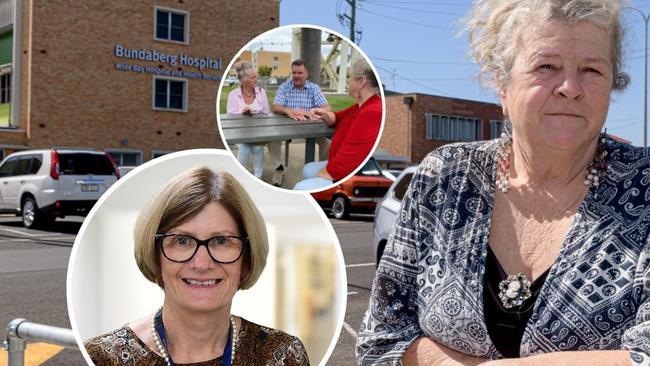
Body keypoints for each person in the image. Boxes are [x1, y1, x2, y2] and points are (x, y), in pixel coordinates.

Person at [357, 1, 650, 365]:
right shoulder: (446, 177)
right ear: (503, 86)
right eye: (547, 66)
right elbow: (382, 340)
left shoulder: (645, 186)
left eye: (591, 69)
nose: (570, 88)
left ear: (612, 85)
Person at [84, 167, 310, 365]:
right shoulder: (102, 357)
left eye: (221, 241)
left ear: (247, 259)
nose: (202, 264)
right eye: (182, 241)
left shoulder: (284, 355)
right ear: (154, 255)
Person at [293, 58, 383, 190]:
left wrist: (321, 175)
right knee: (307, 169)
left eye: (349, 77)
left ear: (362, 81)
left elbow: (345, 163)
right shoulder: (361, 106)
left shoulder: (372, 112)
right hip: (338, 164)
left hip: (343, 175)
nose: (347, 81)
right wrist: (323, 114)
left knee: (299, 187)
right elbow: (336, 117)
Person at [271, 59, 331, 186]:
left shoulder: (314, 88)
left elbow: (327, 108)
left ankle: (322, 171)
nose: (296, 76)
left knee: (327, 143)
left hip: (310, 129)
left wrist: (310, 111)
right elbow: (275, 107)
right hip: (286, 128)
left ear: (306, 74)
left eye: (300, 73)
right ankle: (279, 169)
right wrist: (288, 110)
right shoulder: (284, 86)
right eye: (294, 73)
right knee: (272, 139)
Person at [226, 61, 270, 179]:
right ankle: (238, 177)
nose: (257, 79)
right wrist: (242, 112)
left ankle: (258, 177)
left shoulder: (261, 92)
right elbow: (230, 115)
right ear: (244, 80)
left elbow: (266, 112)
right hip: (239, 132)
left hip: (257, 131)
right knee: (244, 148)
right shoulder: (233, 95)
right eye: (253, 77)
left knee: (257, 148)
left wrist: (258, 115)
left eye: (256, 76)